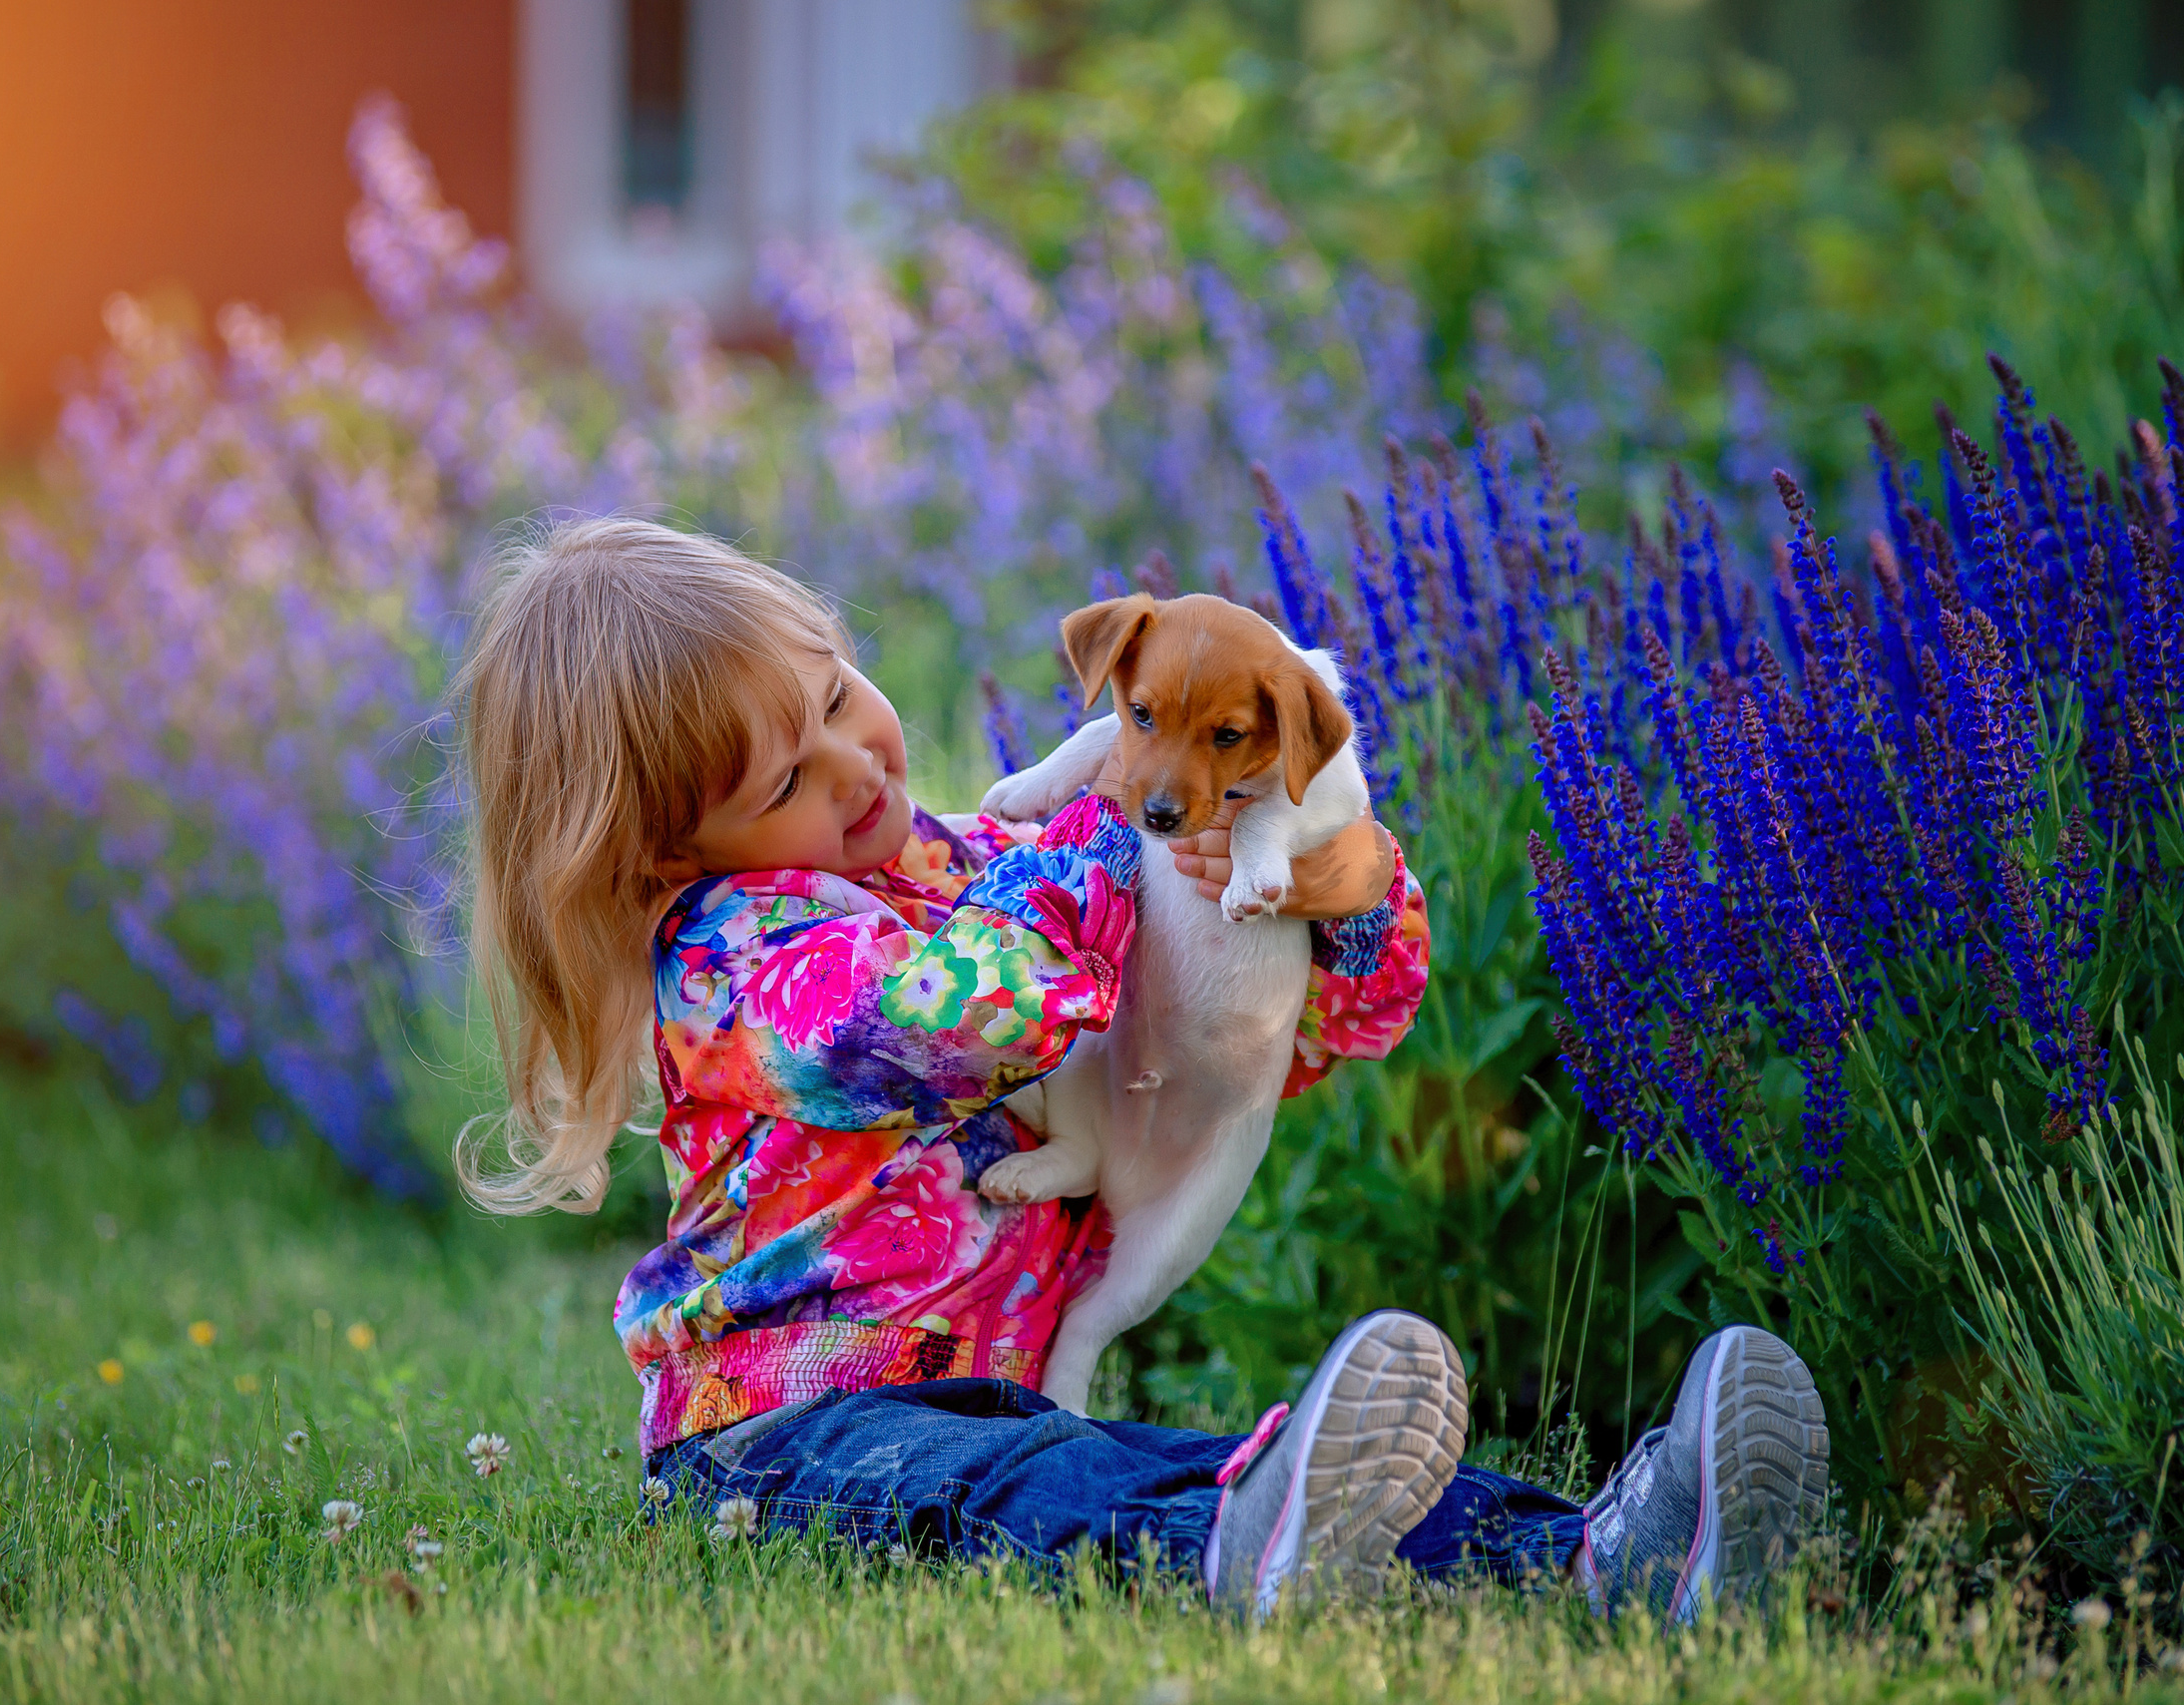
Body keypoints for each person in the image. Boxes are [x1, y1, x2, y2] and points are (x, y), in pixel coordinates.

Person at [453, 517, 1829, 1619]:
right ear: (667, 854)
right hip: (786, 1441)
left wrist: (1338, 893)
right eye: (782, 782)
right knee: (1029, 1488)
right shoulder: (728, 956)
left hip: (1006, 1403)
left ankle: (1606, 1553)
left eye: (833, 697)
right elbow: (947, 1020)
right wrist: (1127, 824)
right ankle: (1246, 1548)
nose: (850, 763)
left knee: (1166, 1460)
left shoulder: (977, 863)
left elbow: (1312, 1031)